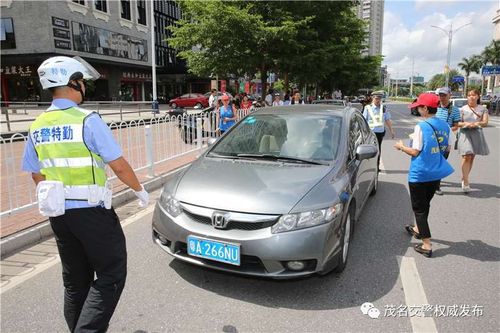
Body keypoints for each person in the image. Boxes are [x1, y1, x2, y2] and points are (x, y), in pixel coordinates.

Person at [22, 56, 149, 332]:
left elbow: (35, 173)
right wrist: (140, 190)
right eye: (82, 82)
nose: (85, 87)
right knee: (111, 273)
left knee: (75, 282)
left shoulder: (37, 125)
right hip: (92, 213)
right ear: (72, 83)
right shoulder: (88, 120)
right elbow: (118, 165)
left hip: (59, 215)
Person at [394, 93, 454, 258]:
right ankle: (418, 229)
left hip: (420, 174)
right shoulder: (445, 126)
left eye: (419, 107)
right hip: (436, 174)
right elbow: (448, 148)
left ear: (426, 108)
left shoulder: (422, 126)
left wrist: (400, 146)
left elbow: (414, 151)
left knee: (419, 209)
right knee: (425, 204)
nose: (418, 110)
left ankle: (426, 244)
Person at [456, 89, 490, 193]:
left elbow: (485, 122)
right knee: (467, 155)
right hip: (464, 133)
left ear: (478, 96)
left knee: (471, 157)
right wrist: (467, 124)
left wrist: (476, 124)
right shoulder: (462, 109)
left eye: (474, 95)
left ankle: (464, 177)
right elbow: (458, 123)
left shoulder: (483, 109)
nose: (471, 97)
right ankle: (466, 181)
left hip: (476, 133)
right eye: (469, 95)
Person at [434, 86, 461, 195]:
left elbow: (456, 126)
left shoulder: (454, 110)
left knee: (441, 161)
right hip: (433, 138)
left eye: (444, 95)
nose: (442, 97)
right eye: (440, 95)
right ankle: (433, 180)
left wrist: (446, 129)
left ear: (450, 95)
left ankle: (436, 186)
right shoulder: (435, 107)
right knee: (433, 160)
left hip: (446, 140)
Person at [362, 92, 395, 171]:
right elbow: (364, 120)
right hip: (370, 133)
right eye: (376, 98)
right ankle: (368, 166)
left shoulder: (383, 108)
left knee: (378, 149)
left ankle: (376, 166)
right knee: (369, 150)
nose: (378, 100)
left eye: (379, 99)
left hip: (380, 133)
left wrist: (392, 130)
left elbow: (387, 120)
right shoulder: (368, 108)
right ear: (373, 98)